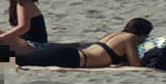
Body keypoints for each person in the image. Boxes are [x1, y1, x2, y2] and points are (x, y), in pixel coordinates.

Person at [20, 18, 152, 68]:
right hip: (74, 59)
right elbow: (137, 64)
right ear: (142, 33)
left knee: (23, 59)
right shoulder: (130, 39)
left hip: (72, 53)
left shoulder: (116, 34)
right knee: (21, 60)